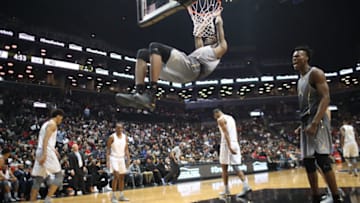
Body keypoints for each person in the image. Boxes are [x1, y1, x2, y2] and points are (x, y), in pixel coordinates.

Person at [115, 12, 227, 110]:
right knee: (142, 54)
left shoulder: (219, 49)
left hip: (192, 68)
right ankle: (139, 93)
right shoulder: (203, 52)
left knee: (155, 47)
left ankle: (151, 94)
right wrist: (203, 21)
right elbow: (198, 36)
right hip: (184, 73)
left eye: (212, 36)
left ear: (215, 40)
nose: (209, 36)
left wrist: (218, 20)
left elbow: (221, 37)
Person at [292, 46, 343, 203]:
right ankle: (316, 196)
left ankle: (336, 197)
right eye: (293, 57)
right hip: (307, 122)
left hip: (318, 122)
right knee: (308, 162)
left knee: (322, 159)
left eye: (298, 56)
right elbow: (308, 105)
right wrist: (304, 124)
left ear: (306, 58)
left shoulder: (315, 73)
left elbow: (325, 98)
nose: (294, 58)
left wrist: (314, 122)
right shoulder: (300, 79)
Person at [213, 109, 251, 198]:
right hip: (235, 142)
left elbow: (226, 133)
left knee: (225, 168)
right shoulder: (230, 117)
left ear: (216, 114)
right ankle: (231, 189)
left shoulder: (220, 119)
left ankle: (243, 187)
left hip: (227, 144)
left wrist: (229, 146)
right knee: (233, 166)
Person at [29, 109, 65, 203]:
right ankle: (48, 199)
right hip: (46, 152)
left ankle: (32, 201)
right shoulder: (53, 125)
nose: (61, 120)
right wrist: (45, 154)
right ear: (58, 116)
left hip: (41, 150)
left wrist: (54, 149)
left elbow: (45, 140)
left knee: (38, 179)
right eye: (61, 118)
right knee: (59, 176)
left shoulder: (45, 124)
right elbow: (45, 140)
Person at [106, 122, 130, 202]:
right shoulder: (111, 137)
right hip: (114, 158)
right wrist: (108, 161)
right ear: (115, 128)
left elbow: (126, 149)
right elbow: (108, 150)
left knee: (122, 177)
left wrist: (128, 158)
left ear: (122, 128)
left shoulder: (125, 137)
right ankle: (113, 196)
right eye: (117, 128)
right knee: (116, 176)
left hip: (121, 158)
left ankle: (121, 195)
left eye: (120, 128)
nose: (119, 129)